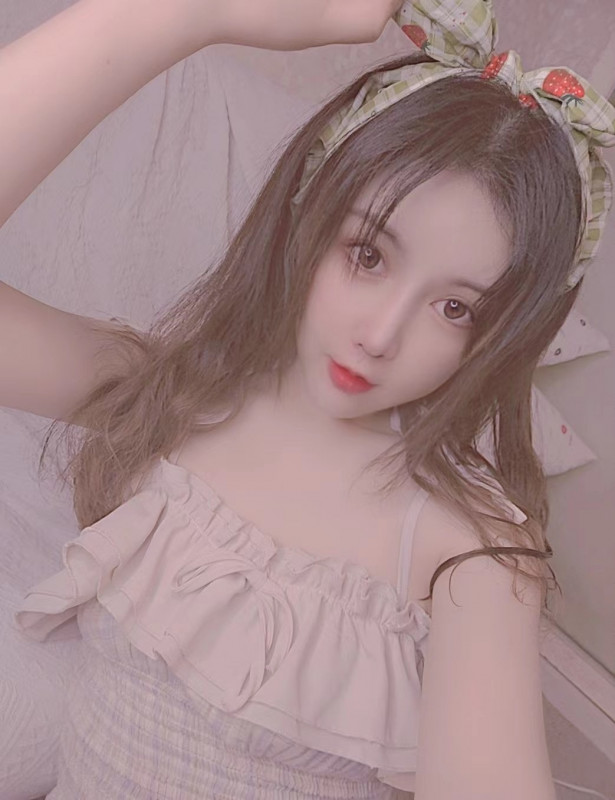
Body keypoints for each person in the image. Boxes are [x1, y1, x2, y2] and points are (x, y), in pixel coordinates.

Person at [2, 0, 614, 797]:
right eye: (368, 255)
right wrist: (176, 16)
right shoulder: (171, 393)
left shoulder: (469, 552)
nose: (380, 335)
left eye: (454, 307)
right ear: (304, 218)